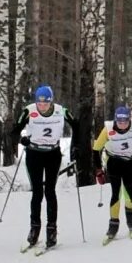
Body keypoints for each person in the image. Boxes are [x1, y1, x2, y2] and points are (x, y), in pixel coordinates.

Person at [11, 84, 81, 249]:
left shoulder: (60, 110)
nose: (42, 105)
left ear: (51, 101)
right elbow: (14, 131)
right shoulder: (29, 111)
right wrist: (22, 140)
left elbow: (76, 125)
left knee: (50, 191)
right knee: (37, 192)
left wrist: (75, 146)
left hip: (52, 154)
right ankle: (34, 228)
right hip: (34, 154)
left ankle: (52, 230)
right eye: (39, 102)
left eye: (45, 103)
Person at [91, 105, 132, 241]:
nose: (122, 125)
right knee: (116, 193)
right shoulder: (108, 129)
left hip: (130, 163)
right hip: (113, 162)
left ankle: (130, 220)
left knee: (130, 194)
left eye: (125, 121)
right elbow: (96, 149)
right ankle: (113, 225)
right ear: (115, 120)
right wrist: (98, 170)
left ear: (129, 120)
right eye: (119, 122)